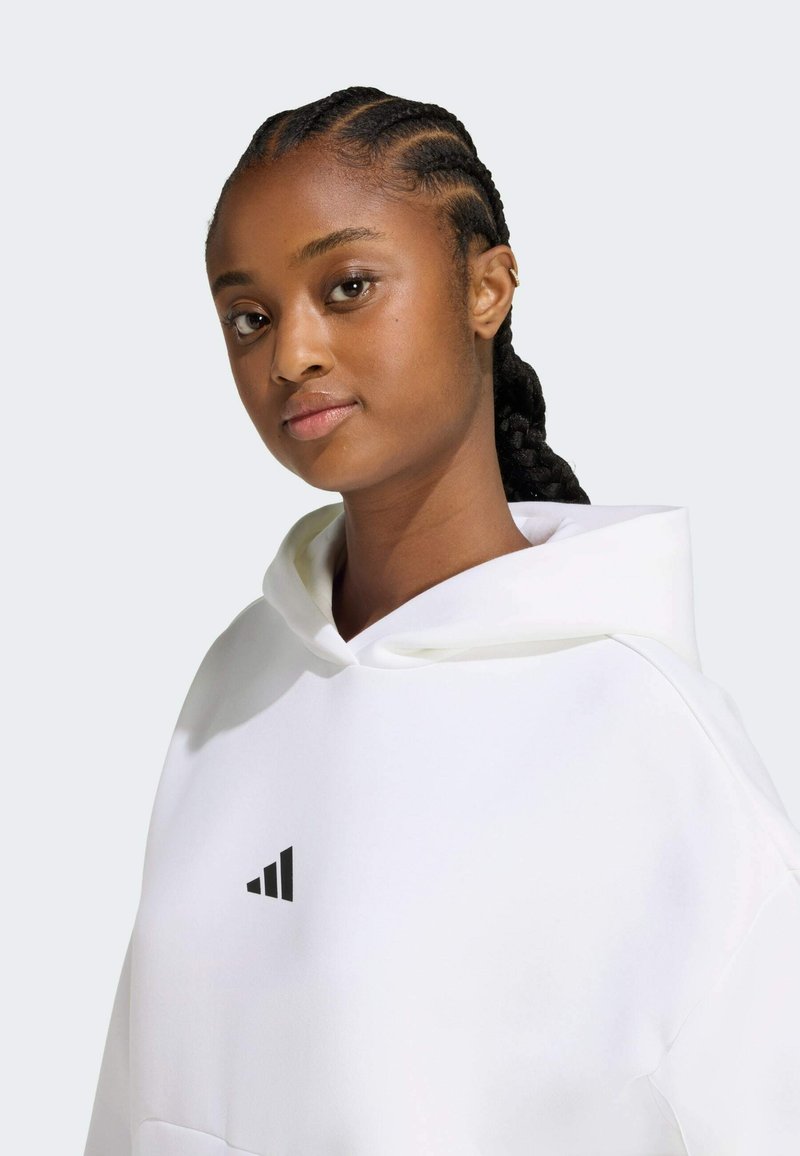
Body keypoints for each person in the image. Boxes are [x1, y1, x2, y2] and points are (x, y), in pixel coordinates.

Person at [84, 86, 800, 1156]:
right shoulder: (238, 678)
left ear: (486, 287)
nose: (290, 353)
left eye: (348, 286)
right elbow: (143, 1086)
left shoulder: (642, 733)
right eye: (249, 317)